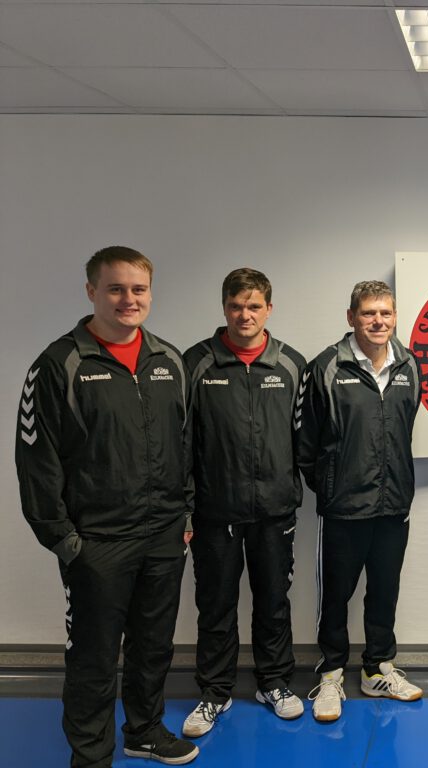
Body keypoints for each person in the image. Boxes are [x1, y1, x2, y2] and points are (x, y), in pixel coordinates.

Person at [15, 246, 197, 766]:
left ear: (150, 293)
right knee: (93, 657)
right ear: (91, 291)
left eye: (138, 289)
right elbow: (36, 458)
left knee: (153, 646)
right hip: (96, 542)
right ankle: (92, 755)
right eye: (115, 288)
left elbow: (186, 445)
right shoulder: (58, 364)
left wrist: (184, 515)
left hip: (163, 536)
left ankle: (144, 731)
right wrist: (63, 538)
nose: (128, 299)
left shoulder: (169, 361)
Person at [180, 268, 307, 737]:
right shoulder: (196, 363)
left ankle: (274, 683)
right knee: (215, 605)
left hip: (274, 512)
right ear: (224, 308)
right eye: (236, 306)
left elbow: (305, 439)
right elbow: (181, 442)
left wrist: (294, 492)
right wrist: (186, 507)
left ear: (269, 309)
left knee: (273, 601)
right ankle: (215, 692)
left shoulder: (291, 364)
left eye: (254, 306)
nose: (245, 315)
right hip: (214, 512)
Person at [296, 280, 423, 722]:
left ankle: (377, 669)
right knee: (335, 596)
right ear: (351, 317)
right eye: (368, 313)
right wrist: (332, 487)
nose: (378, 321)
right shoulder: (326, 367)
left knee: (385, 592)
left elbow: (404, 427)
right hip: (344, 508)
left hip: (394, 504)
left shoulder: (409, 365)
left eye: (385, 313)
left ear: (395, 317)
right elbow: (305, 441)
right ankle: (331, 675)